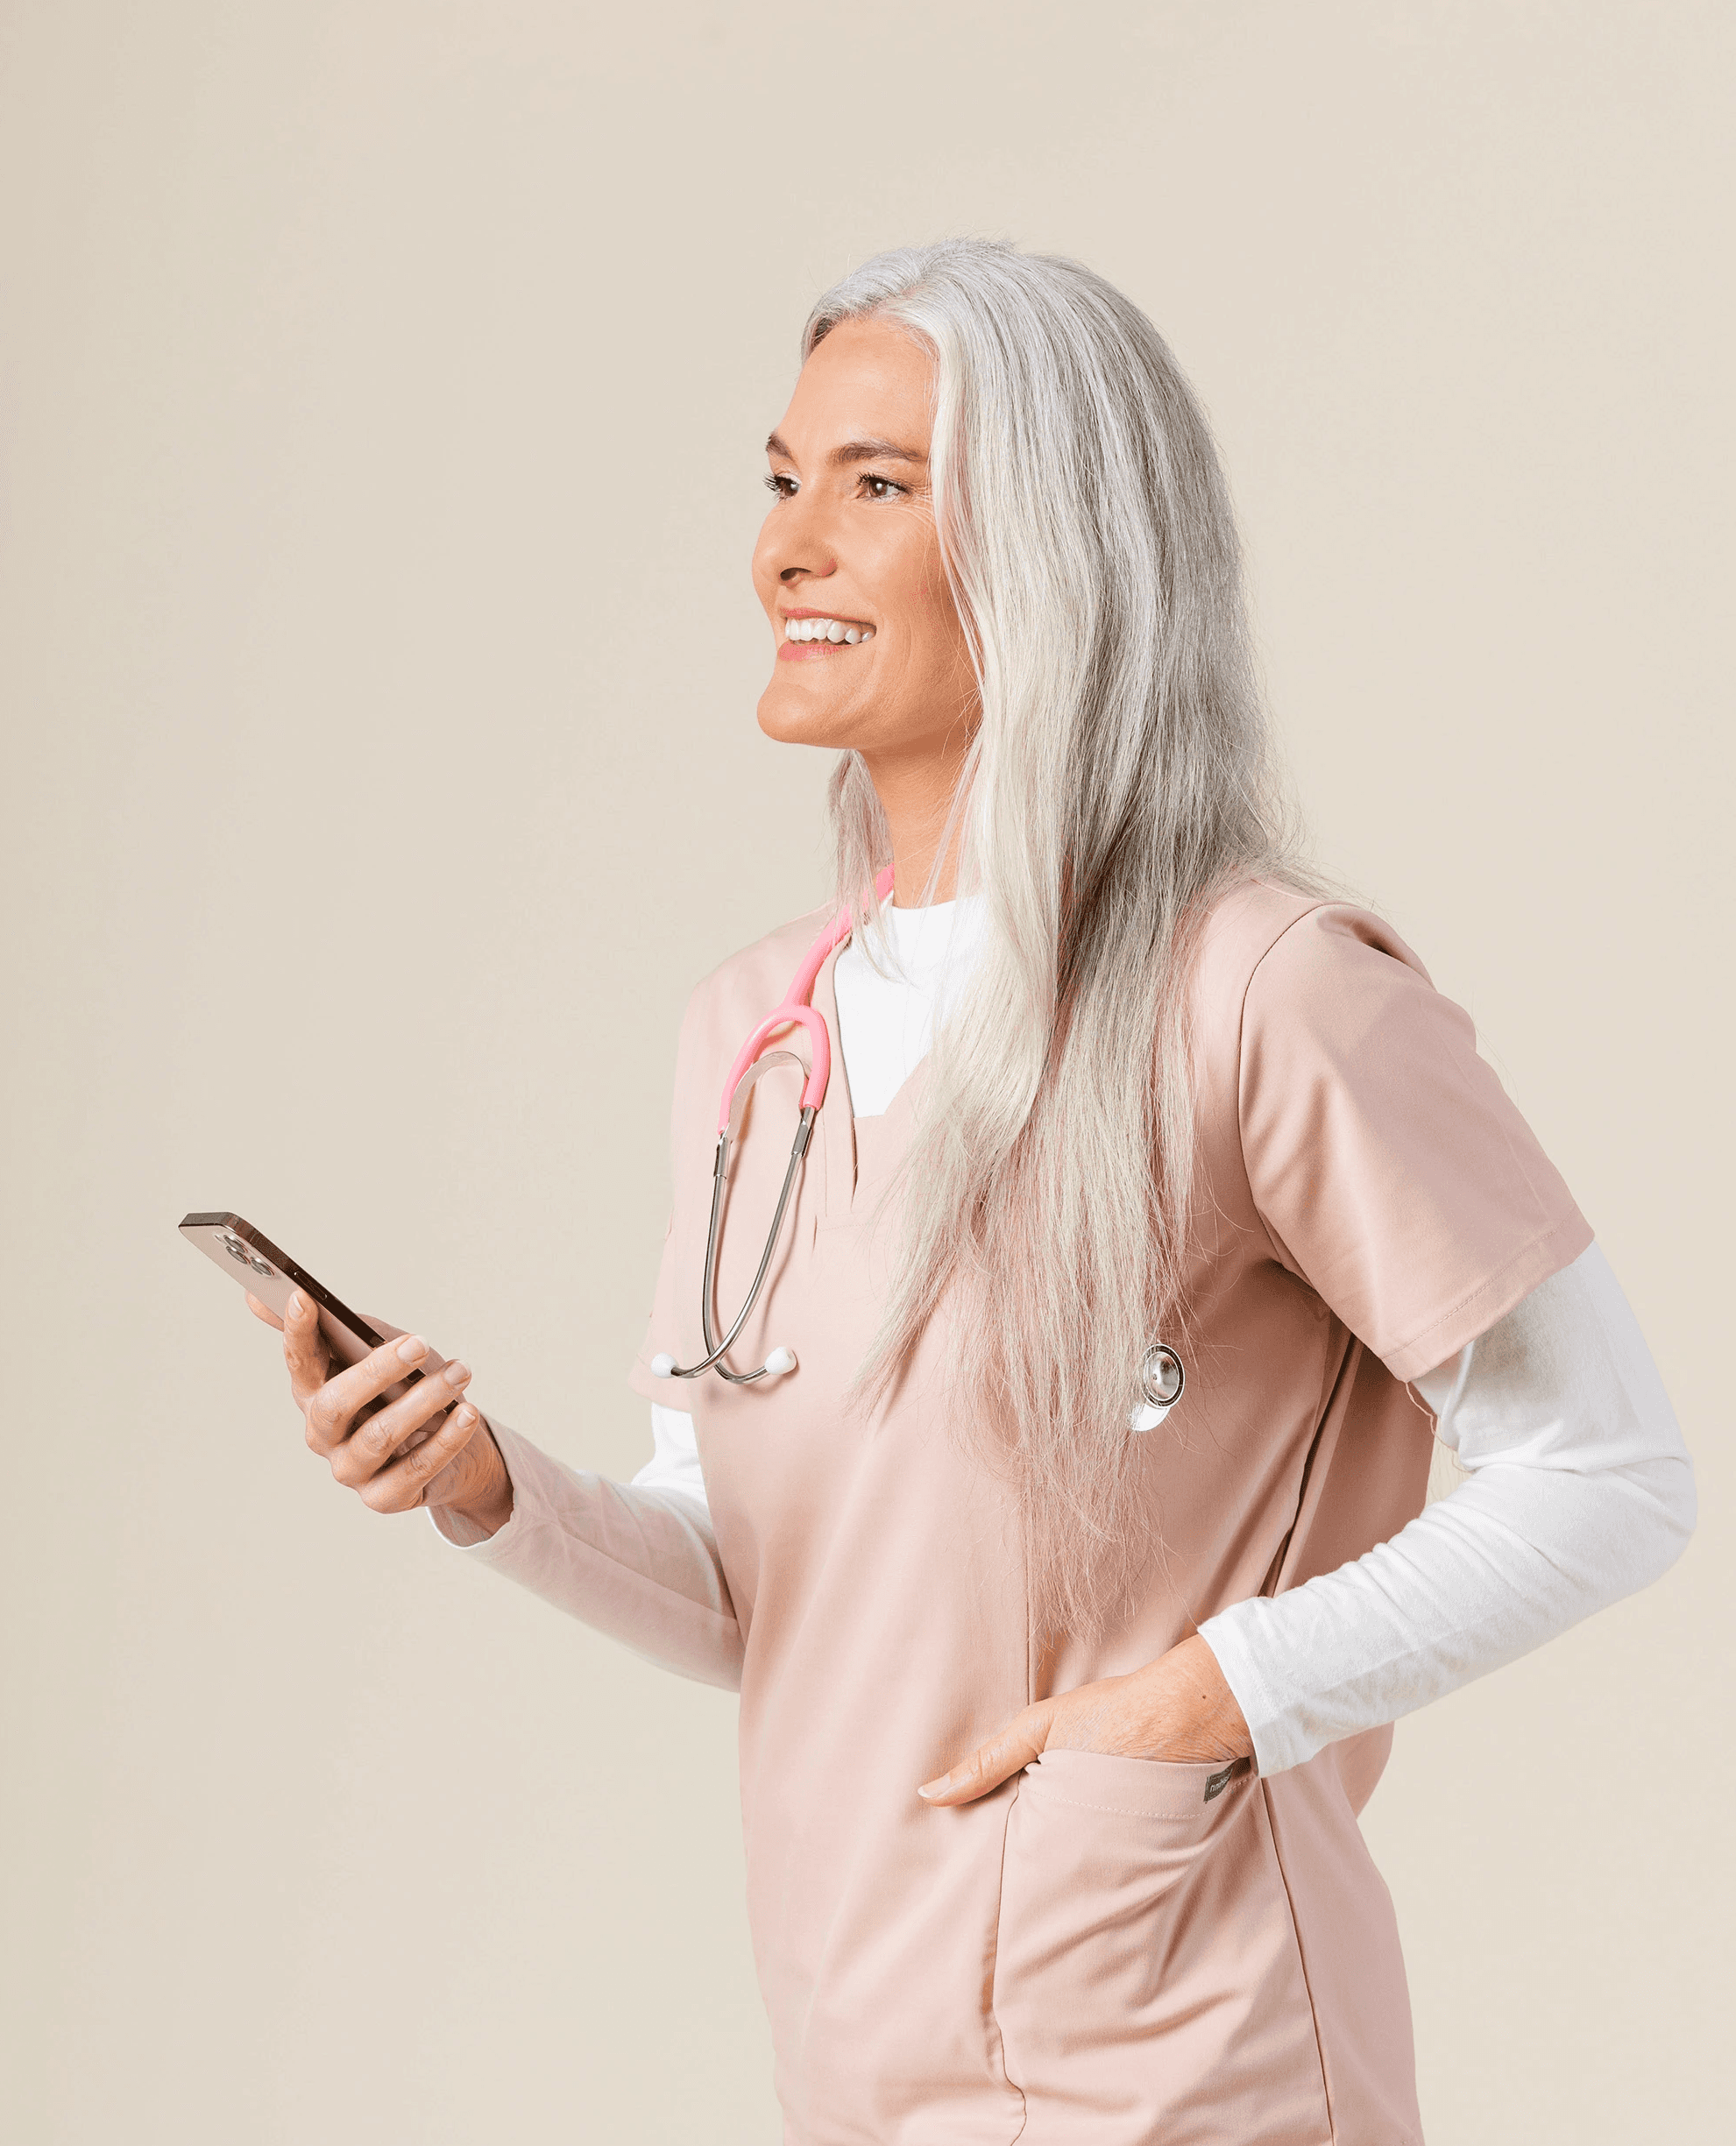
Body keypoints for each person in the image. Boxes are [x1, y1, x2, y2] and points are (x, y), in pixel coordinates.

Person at [247, 239, 1695, 2143]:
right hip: (855, 2048)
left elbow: (1608, 1472)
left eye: (877, 485)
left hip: (1186, 2054)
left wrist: (1203, 1695)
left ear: (1056, 542)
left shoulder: (1261, 988)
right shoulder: (749, 1035)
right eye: (780, 482)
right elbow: (772, 1585)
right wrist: (484, 1487)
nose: (786, 549)